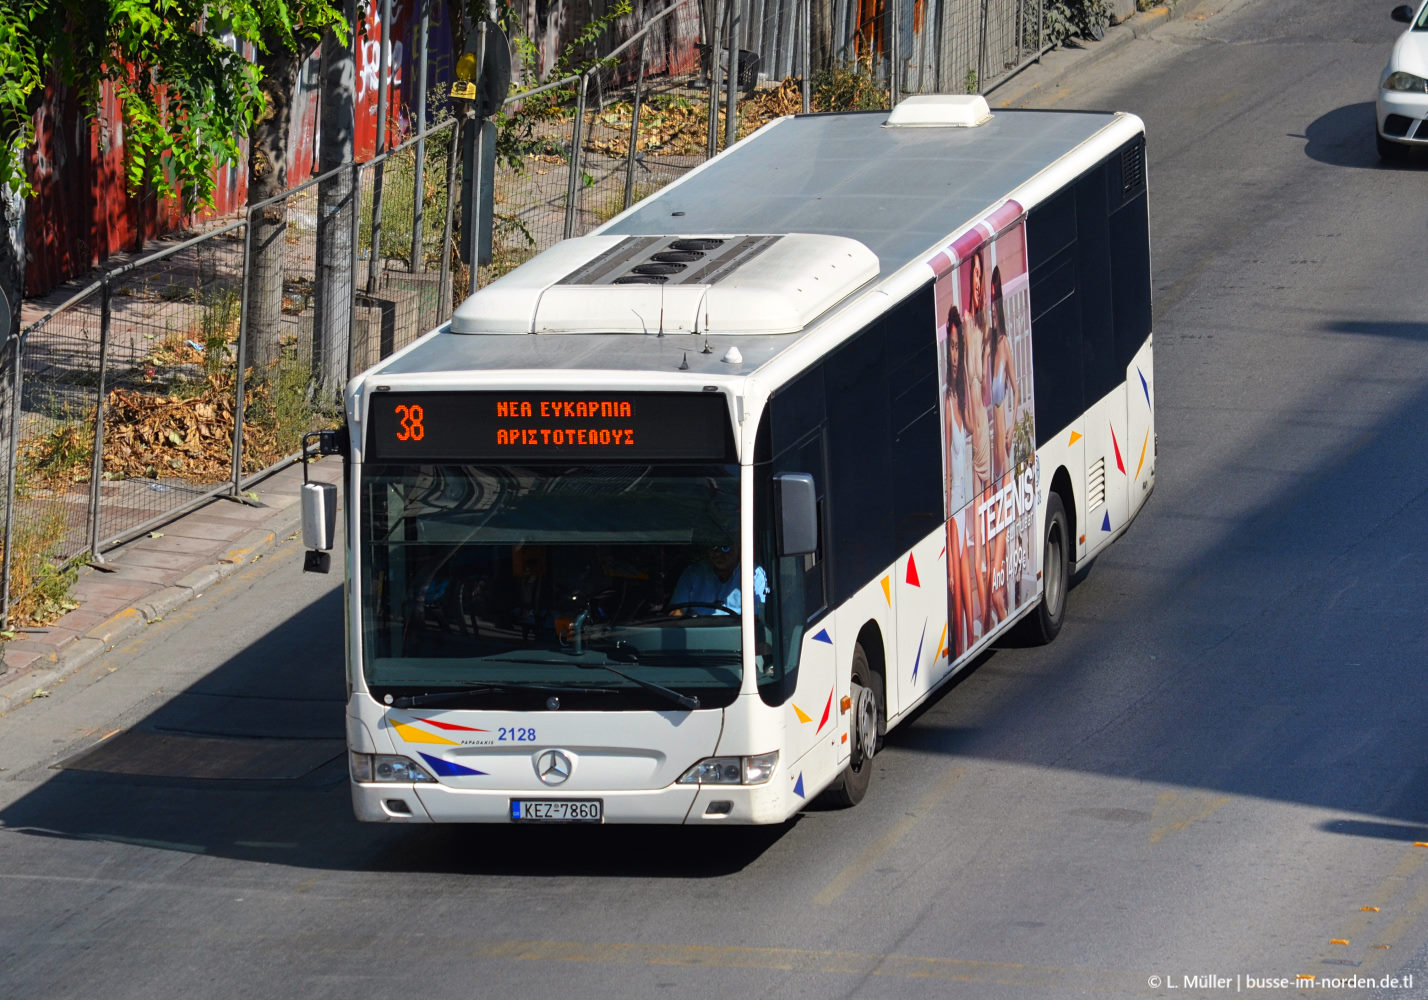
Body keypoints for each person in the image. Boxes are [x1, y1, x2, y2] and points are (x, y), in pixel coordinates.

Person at [669, 539, 768, 616]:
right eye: (714, 547)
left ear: (738, 547)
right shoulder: (693, 573)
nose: (718, 553)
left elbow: (760, 617)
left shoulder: (754, 574)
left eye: (725, 547)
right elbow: (676, 613)